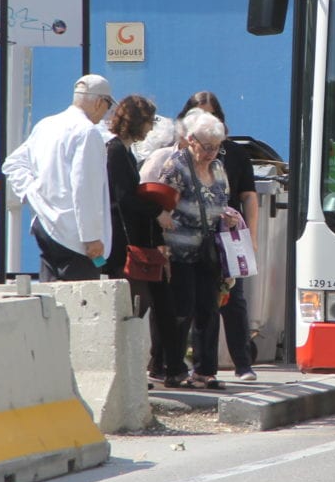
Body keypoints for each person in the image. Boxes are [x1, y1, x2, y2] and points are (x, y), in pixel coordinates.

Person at [153, 109, 245, 389]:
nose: (212, 153)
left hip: (209, 249)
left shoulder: (218, 167)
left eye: (216, 147)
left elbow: (221, 199)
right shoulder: (176, 167)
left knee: (209, 308)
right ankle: (174, 368)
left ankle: (205, 370)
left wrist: (226, 216)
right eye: (207, 147)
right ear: (191, 140)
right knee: (182, 309)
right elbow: (161, 208)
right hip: (180, 250)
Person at [102, 95, 186, 386]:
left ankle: (167, 366)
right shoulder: (115, 151)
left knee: (156, 303)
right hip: (129, 243)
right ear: (138, 121)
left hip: (139, 240)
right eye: (149, 121)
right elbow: (123, 199)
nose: (151, 128)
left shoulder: (122, 151)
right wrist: (157, 212)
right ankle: (142, 370)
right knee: (138, 308)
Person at [178, 91, 260, 381]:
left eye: (210, 116)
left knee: (232, 300)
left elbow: (248, 196)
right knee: (195, 305)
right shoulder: (179, 158)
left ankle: (243, 363)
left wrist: (251, 236)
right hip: (190, 241)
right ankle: (192, 364)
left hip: (226, 238)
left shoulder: (232, 155)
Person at [2, 73, 114, 281]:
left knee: (52, 301)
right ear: (99, 102)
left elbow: (13, 163)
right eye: (108, 104)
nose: (107, 112)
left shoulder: (46, 125)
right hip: (75, 235)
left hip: (44, 223)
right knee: (81, 304)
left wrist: (31, 192)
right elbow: (84, 187)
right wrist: (92, 237)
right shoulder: (88, 132)